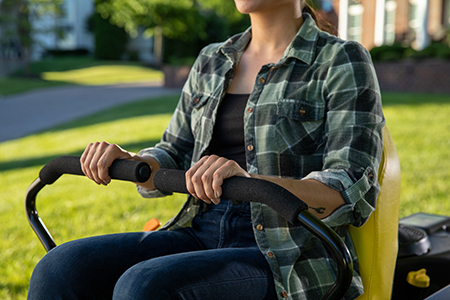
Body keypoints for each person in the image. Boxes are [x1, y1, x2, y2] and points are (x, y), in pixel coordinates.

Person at [27, 0, 384, 299]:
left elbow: (348, 186)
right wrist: (134, 162)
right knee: (60, 267)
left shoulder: (341, 60)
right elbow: (175, 152)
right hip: (199, 229)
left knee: (144, 287)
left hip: (286, 251)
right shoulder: (213, 59)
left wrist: (250, 180)